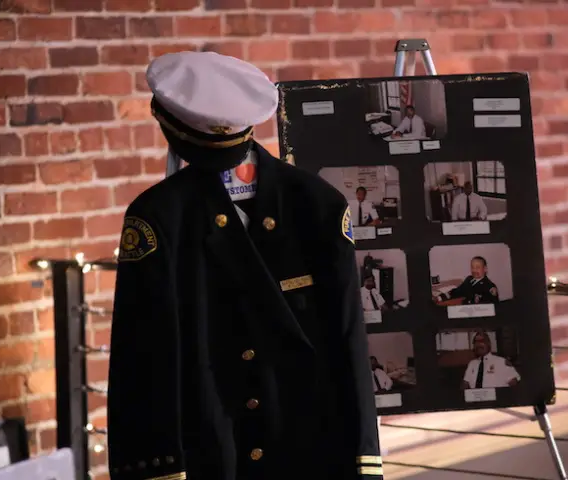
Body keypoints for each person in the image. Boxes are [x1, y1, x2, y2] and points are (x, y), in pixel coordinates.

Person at [107, 51, 383, 480]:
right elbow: (144, 357)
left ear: (165, 124)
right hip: (213, 449)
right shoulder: (159, 220)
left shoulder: (319, 207)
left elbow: (349, 340)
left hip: (306, 447)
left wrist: (363, 458)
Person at [435, 256, 499, 305]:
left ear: (485, 269)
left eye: (477, 267)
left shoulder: (490, 286)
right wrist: (441, 297)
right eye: (472, 267)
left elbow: (493, 307)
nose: (474, 270)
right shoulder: (469, 279)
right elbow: (457, 291)